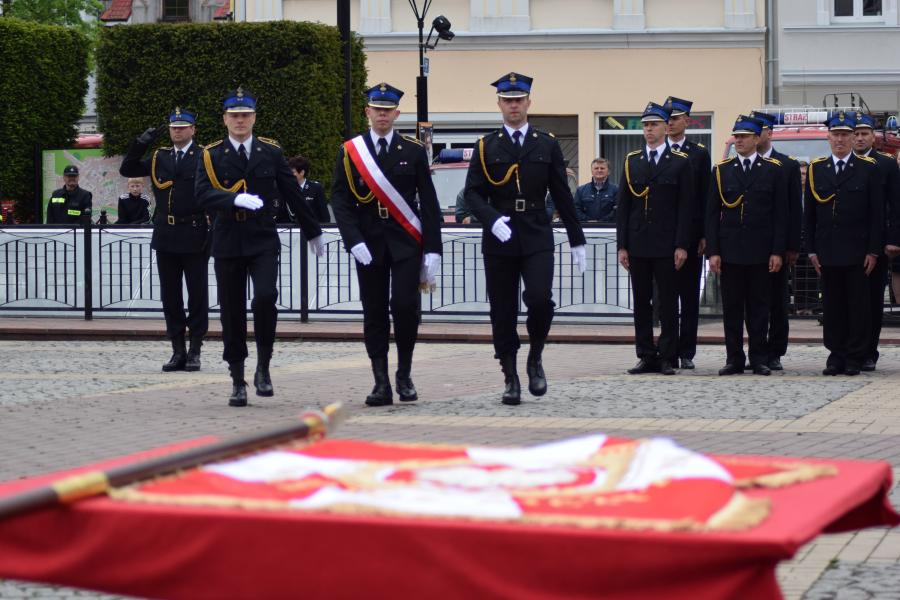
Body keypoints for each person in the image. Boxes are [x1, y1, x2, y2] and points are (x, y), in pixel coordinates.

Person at [196, 88, 325, 406]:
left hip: (262, 237)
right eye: (234, 115)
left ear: (254, 117)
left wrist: (313, 230)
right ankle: (237, 378)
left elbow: (292, 192)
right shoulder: (211, 154)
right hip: (227, 239)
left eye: (245, 115)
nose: (240, 120)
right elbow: (200, 194)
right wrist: (231, 199)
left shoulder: (270, 152)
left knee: (266, 297)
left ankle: (263, 367)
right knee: (231, 311)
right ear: (225, 119)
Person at [464, 72, 586, 405]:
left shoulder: (545, 143)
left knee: (539, 298)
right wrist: (490, 219)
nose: (513, 105)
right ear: (500, 104)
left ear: (528, 103)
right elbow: (472, 193)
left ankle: (535, 355)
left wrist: (577, 238)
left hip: (535, 230)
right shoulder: (486, 145)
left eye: (519, 100)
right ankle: (510, 374)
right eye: (508, 100)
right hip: (500, 233)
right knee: (502, 309)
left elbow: (562, 193)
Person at [331, 83, 443, 407]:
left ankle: (404, 373)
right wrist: (353, 239)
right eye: (376, 109)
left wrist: (433, 248)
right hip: (368, 242)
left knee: (406, 307)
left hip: (406, 241)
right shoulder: (352, 151)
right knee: (374, 311)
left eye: (387, 110)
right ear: (367, 111)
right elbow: (339, 199)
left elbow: (430, 203)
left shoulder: (412, 151)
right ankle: (380, 381)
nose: (382, 115)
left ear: (397, 113)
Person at [121, 107, 211, 373]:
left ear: (193, 130)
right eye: (174, 127)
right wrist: (141, 142)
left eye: (183, 127)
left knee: (197, 295)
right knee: (170, 296)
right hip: (167, 233)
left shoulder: (204, 155)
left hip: (195, 232)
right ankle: (177, 350)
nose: (178, 131)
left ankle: (195, 349)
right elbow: (128, 168)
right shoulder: (159, 156)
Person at [706, 116, 788, 376]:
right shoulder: (721, 170)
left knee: (759, 308)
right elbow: (711, 214)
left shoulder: (772, 169)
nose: (738, 141)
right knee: (731, 308)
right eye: (736, 136)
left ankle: (759, 357)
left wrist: (777, 251)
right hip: (730, 251)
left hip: (761, 251)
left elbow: (780, 215)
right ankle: (734, 358)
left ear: (756, 138)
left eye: (744, 136)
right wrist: (714, 251)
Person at [616, 102, 693, 376]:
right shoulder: (632, 161)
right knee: (641, 301)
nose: (649, 129)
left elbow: (686, 208)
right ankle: (646, 353)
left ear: (664, 127)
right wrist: (622, 245)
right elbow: (624, 207)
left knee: (669, 302)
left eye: (654, 125)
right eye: (646, 125)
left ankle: (668, 355)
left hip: (667, 243)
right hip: (638, 242)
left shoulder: (680, 162)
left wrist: (683, 244)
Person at [805, 111, 883, 376]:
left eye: (845, 135)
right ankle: (835, 354)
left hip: (858, 250)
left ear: (852, 138)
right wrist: (812, 249)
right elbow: (811, 214)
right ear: (828, 138)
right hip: (827, 250)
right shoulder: (818, 168)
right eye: (835, 135)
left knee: (858, 306)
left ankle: (855, 356)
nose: (840, 140)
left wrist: (873, 249)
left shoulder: (868, 168)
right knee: (833, 305)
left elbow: (876, 214)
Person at [750, 111, 803, 371]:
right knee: (753, 302)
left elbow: (794, 209)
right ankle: (756, 350)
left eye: (757, 130)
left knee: (777, 300)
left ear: (769, 133)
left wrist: (792, 246)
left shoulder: (787, 165)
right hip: (751, 246)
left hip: (777, 244)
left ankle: (775, 351)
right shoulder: (741, 163)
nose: (752, 135)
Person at [664, 96, 711, 370]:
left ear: (686, 121)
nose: (670, 123)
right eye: (667, 119)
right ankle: (667, 347)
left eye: (675, 118)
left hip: (691, 234)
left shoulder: (698, 153)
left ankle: (687, 351)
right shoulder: (657, 151)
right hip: (663, 235)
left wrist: (704, 234)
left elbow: (705, 196)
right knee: (664, 296)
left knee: (689, 296)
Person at [852, 113, 900, 370]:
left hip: (877, 242)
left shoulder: (886, 164)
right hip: (847, 243)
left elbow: (896, 204)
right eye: (856, 134)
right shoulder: (843, 163)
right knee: (848, 299)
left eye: (864, 134)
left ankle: (869, 351)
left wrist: (893, 239)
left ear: (874, 136)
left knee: (871, 300)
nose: (859, 138)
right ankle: (850, 348)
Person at [279, 155, 330, 224]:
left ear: (302, 173)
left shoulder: (316, 188)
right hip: (289, 231)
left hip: (311, 231)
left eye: (293, 172)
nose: (289, 175)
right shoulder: (285, 188)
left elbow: (324, 216)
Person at [573, 158, 618, 222]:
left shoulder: (616, 190)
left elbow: (618, 211)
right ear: (592, 171)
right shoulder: (581, 190)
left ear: (608, 172)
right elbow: (575, 210)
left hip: (609, 229)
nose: (599, 170)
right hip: (586, 229)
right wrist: (588, 221)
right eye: (596, 168)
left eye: (602, 168)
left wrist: (601, 222)